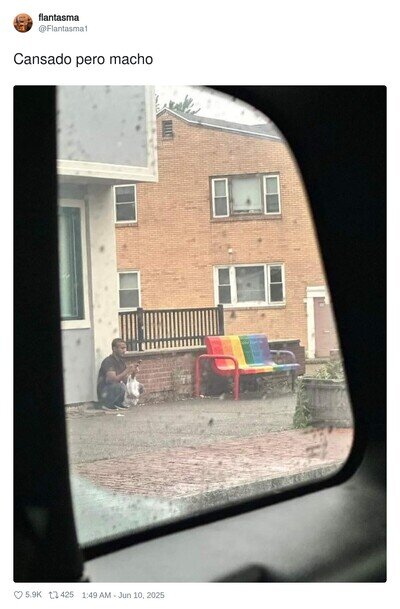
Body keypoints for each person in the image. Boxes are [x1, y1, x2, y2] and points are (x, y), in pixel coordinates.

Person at [97, 338, 143, 411]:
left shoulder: (121, 362)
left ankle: (119, 403)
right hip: (105, 392)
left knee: (139, 386)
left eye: (125, 348)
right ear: (114, 349)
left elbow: (125, 380)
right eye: (122, 348)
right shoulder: (108, 361)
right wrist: (127, 370)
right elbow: (112, 380)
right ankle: (107, 404)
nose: (124, 350)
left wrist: (133, 373)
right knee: (120, 386)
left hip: (116, 388)